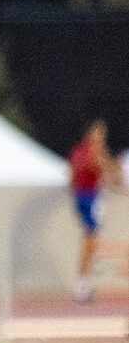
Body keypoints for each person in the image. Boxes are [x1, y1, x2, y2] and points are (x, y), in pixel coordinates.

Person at [71, 120, 113, 303]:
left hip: (81, 196)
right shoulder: (92, 150)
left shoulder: (78, 150)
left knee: (90, 235)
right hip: (88, 196)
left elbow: (73, 175)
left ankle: (85, 279)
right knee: (91, 237)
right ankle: (95, 257)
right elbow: (101, 168)